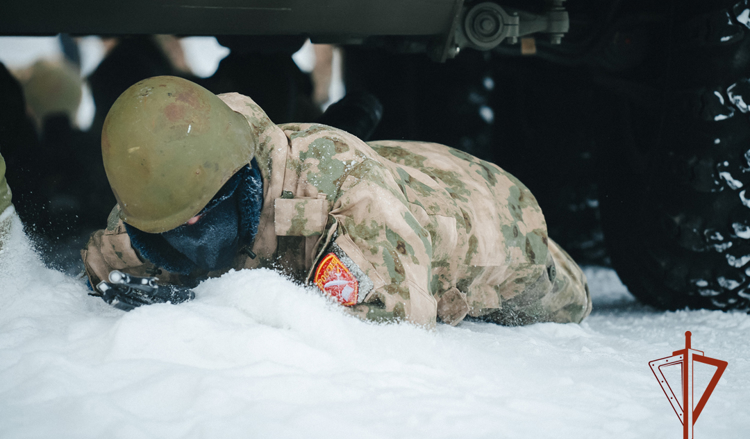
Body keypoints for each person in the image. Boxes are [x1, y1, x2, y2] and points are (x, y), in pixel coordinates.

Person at [81, 76, 591, 328]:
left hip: (491, 216)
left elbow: (397, 322)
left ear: (238, 179)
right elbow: (110, 253)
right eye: (173, 226)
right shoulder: (166, 190)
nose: (187, 232)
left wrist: (215, 313)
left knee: (569, 304)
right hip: (379, 170)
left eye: (198, 216)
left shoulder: (356, 200)